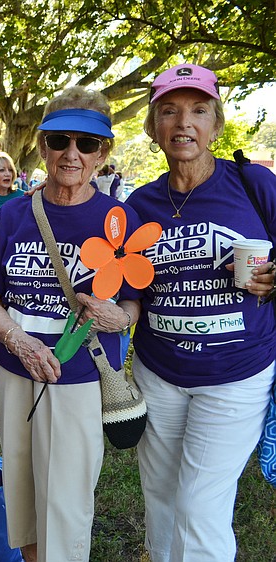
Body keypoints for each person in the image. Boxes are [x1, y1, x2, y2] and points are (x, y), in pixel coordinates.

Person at [0, 87, 142, 562]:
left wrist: (119, 317)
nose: (72, 154)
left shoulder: (118, 217)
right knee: (22, 496)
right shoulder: (14, 214)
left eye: (87, 144)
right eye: (60, 140)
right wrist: (16, 339)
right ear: (42, 145)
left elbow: (136, 301)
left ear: (103, 153)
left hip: (81, 377)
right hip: (14, 370)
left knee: (65, 504)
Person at [124, 63, 276, 562]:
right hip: (159, 372)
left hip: (235, 373)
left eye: (198, 110)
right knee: (162, 498)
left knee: (200, 504)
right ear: (153, 128)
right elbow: (130, 289)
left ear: (216, 124)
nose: (182, 122)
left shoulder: (254, 185)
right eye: (169, 111)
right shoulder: (139, 204)